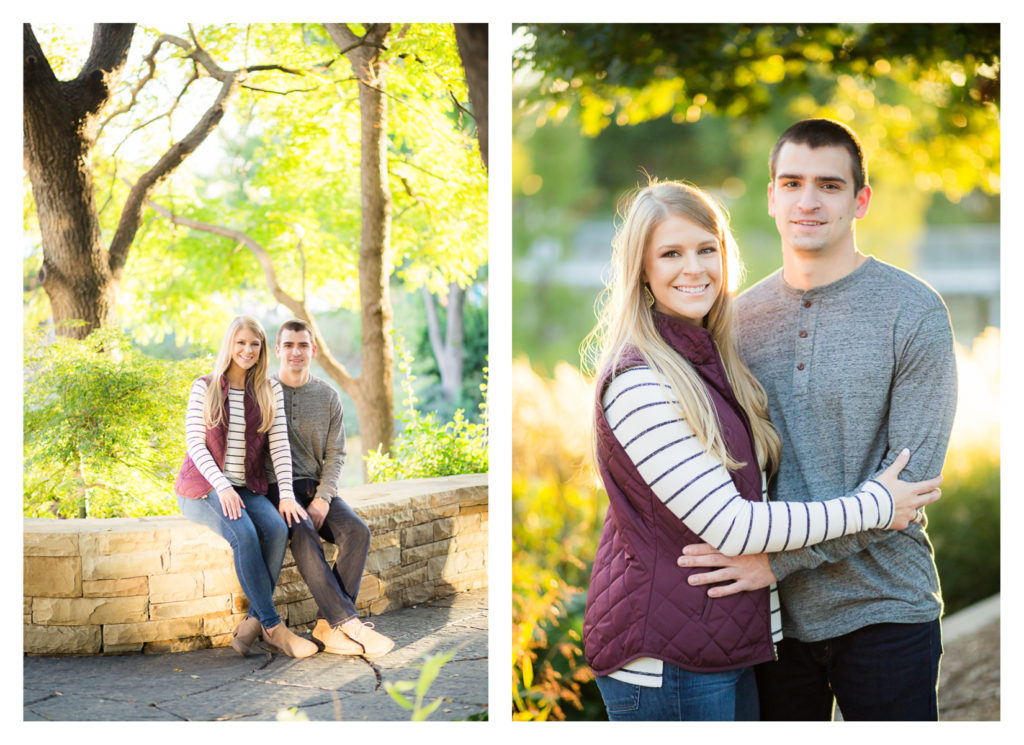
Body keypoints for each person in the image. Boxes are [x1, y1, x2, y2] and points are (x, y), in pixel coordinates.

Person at [579, 179, 943, 721]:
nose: (694, 267)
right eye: (671, 254)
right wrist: (880, 506)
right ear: (643, 272)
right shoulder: (641, 381)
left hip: (718, 642)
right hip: (668, 660)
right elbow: (733, 527)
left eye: (707, 249)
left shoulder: (708, 362)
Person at [677, 118, 958, 720]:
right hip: (769, 619)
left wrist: (773, 562)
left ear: (860, 201)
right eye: (792, 182)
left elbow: (907, 491)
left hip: (885, 606)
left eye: (829, 185)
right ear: (771, 196)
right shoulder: (732, 322)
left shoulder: (913, 312)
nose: (808, 200)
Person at [174, 315, 318, 659]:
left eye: (255, 344)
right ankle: (274, 627)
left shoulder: (267, 390)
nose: (248, 350)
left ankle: (251, 626)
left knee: (277, 528)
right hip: (203, 488)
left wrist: (285, 495)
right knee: (246, 534)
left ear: (262, 349)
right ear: (230, 345)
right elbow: (195, 443)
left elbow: (280, 445)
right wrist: (222, 486)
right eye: (241, 343)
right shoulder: (205, 386)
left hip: (244, 487)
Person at [264, 318, 394, 657]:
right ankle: (347, 623)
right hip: (278, 489)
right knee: (303, 533)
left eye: (302, 345)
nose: (295, 352)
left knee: (357, 532)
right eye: (289, 345)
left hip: (317, 486)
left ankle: (326, 625)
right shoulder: (263, 392)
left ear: (313, 350)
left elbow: (337, 454)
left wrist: (323, 498)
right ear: (278, 350)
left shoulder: (327, 396)